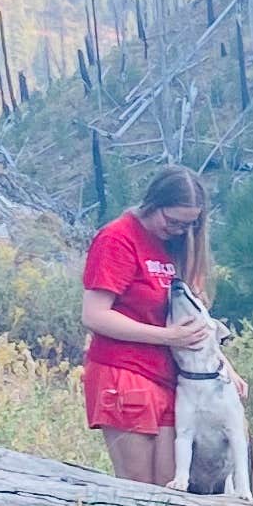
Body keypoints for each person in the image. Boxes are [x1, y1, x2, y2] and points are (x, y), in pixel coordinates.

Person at [81, 165, 222, 486]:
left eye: (187, 225)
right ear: (153, 203)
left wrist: (224, 367)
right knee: (140, 490)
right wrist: (167, 336)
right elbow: (95, 315)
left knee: (172, 488)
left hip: (172, 380)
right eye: (171, 221)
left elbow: (194, 319)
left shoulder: (180, 247)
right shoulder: (118, 239)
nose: (177, 229)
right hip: (124, 372)